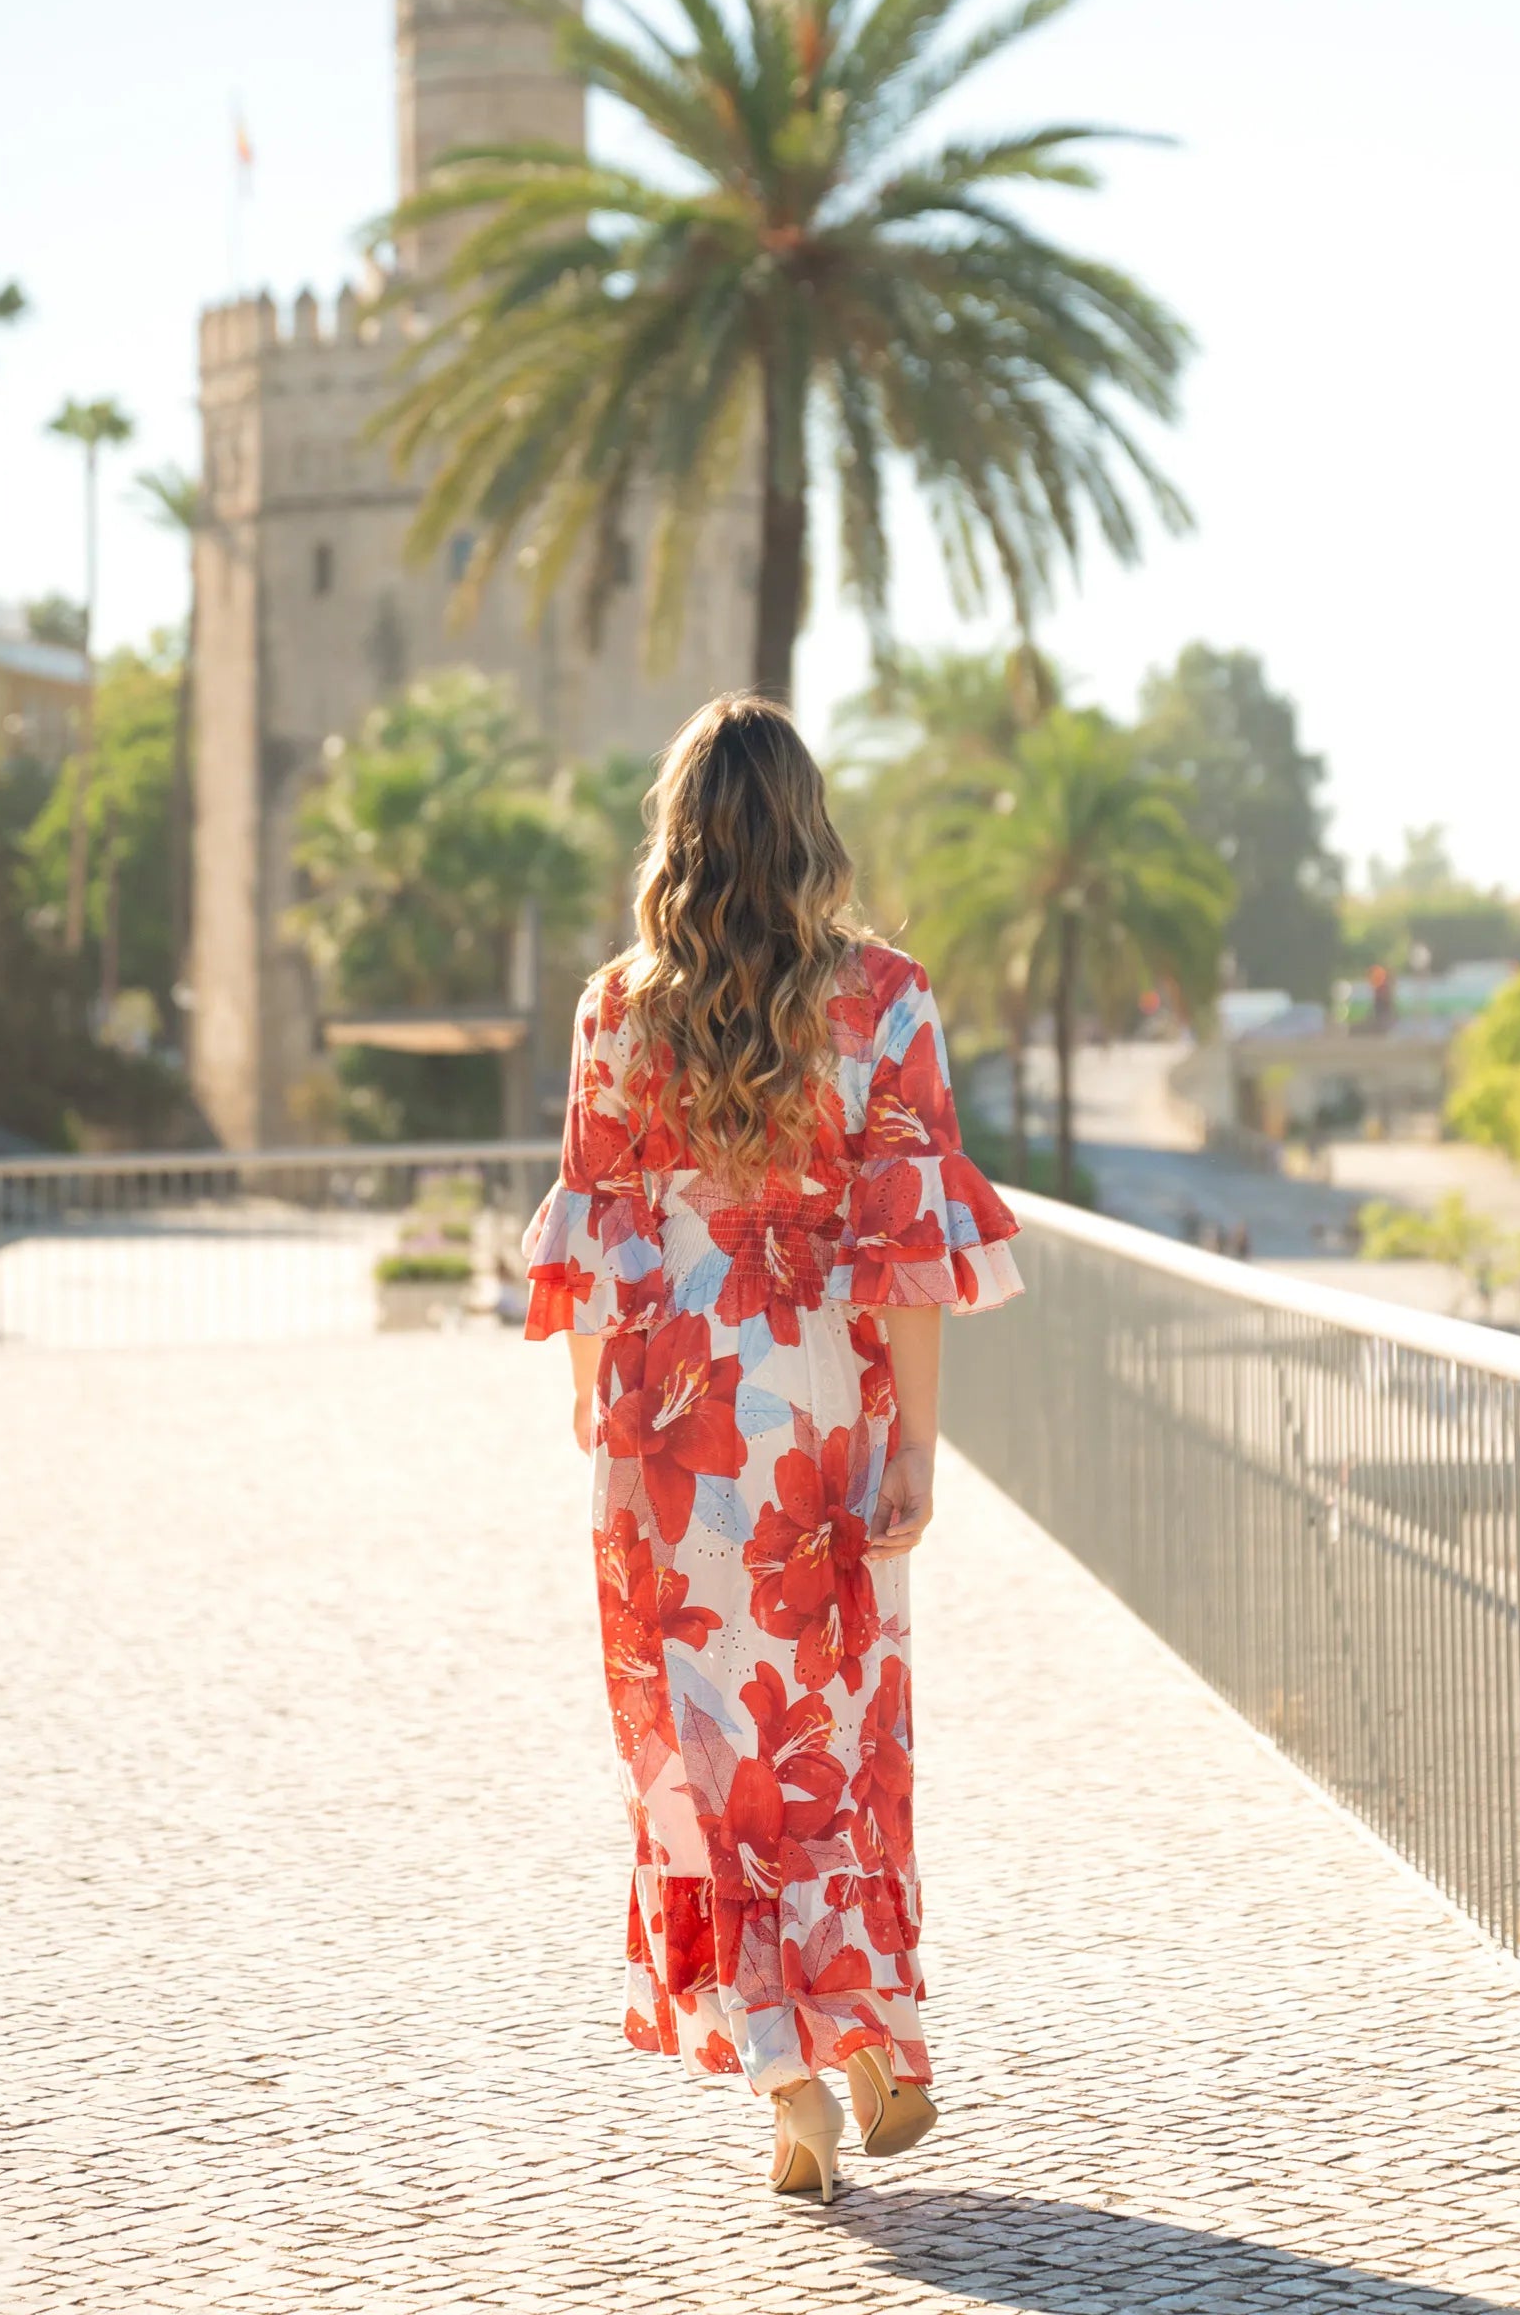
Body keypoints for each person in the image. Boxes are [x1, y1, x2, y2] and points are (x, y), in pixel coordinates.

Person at [524, 694, 1022, 2202]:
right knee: (840, 1738)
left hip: (670, 1428)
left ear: (675, 833)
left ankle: (790, 2086)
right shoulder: (888, 1001)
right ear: (811, 826)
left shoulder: (618, 1009)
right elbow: (906, 1248)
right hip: (820, 1409)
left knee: (707, 1748)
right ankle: (869, 2029)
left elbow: (597, 1254)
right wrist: (919, 1445)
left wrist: (601, 1429)